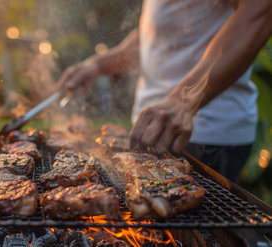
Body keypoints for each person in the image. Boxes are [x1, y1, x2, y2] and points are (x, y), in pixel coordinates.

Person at [58, 0, 272, 182]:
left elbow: (260, 10)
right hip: (150, 131)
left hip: (205, 135)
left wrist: (183, 101)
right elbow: (155, 34)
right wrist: (97, 65)